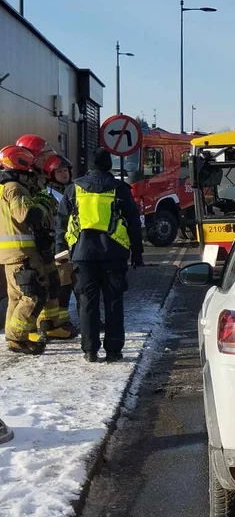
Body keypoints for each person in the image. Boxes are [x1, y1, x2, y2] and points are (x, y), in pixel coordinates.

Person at [57, 148, 143, 362]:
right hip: (114, 254)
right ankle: (113, 350)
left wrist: (60, 253)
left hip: (82, 256)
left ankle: (90, 350)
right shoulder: (120, 189)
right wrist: (137, 253)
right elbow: (133, 222)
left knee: (87, 303)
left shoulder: (73, 189)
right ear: (108, 165)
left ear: (89, 167)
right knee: (114, 302)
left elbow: (61, 223)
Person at [0, 145, 49, 354]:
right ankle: (15, 337)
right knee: (32, 296)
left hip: (10, 253)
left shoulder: (3, 187)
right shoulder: (14, 188)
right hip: (21, 252)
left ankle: (19, 338)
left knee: (16, 298)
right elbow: (27, 215)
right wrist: (43, 204)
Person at [39, 153, 78, 339]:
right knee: (63, 284)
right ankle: (61, 321)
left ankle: (83, 318)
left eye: (66, 170)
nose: (64, 174)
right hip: (58, 244)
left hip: (75, 244)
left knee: (77, 283)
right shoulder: (47, 194)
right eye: (59, 171)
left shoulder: (74, 190)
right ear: (51, 174)